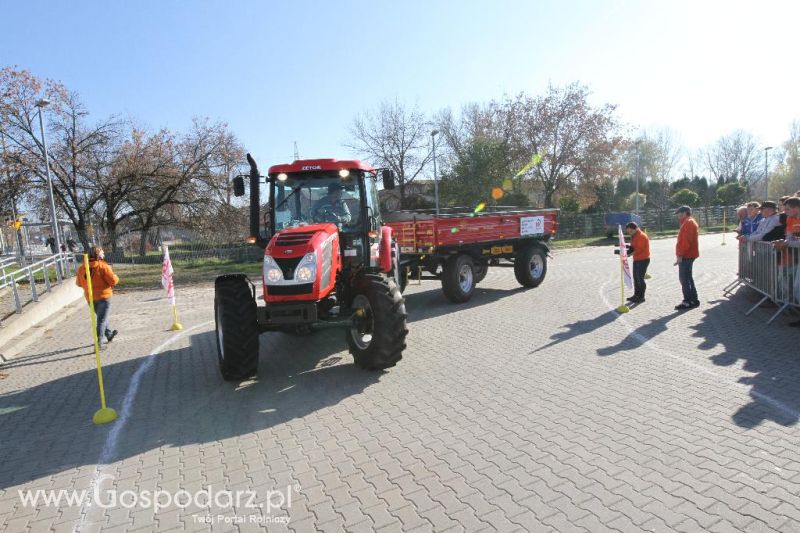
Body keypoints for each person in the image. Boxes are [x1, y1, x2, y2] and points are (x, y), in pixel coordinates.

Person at [76, 246, 119, 347]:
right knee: (102, 319)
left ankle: (108, 334)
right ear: (98, 255)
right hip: (104, 297)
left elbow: (78, 283)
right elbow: (113, 281)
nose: (104, 254)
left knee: (101, 317)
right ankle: (99, 342)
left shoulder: (82, 268)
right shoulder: (103, 266)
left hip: (90, 298)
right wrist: (116, 277)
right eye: (102, 253)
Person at [773, 197, 800, 327]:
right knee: (795, 286)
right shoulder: (789, 219)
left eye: (788, 209)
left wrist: (787, 243)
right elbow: (789, 237)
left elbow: (790, 241)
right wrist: (784, 242)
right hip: (796, 258)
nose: (785, 211)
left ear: (797, 208)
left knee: (797, 287)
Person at [674, 206, 700, 310]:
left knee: (684, 278)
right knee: (688, 277)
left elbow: (685, 241)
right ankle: (693, 299)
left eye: (678, 214)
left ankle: (688, 301)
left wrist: (680, 254)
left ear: (684, 213)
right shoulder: (689, 222)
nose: (677, 216)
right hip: (689, 254)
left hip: (686, 255)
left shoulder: (688, 223)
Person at [625, 222, 650, 303]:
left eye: (630, 231)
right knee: (636, 279)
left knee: (640, 279)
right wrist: (626, 250)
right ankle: (636, 295)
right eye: (628, 232)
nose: (629, 233)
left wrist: (629, 254)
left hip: (643, 260)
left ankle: (641, 297)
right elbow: (633, 247)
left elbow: (639, 249)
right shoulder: (634, 236)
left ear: (635, 229)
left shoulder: (641, 236)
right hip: (637, 259)